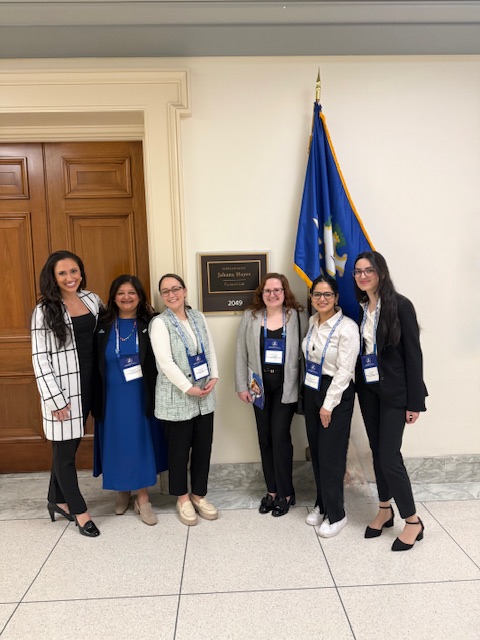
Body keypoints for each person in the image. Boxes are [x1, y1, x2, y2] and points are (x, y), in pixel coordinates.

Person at [353, 251, 428, 552]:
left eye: (368, 270)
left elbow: (414, 354)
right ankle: (385, 509)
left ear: (381, 273)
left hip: (396, 393)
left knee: (388, 455)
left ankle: (412, 521)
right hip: (369, 390)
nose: (362, 276)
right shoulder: (361, 307)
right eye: (358, 272)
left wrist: (415, 401)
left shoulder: (401, 305)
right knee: (376, 451)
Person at [31, 250, 102, 538]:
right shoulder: (44, 310)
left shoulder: (91, 299)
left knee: (67, 448)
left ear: (81, 273)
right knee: (64, 454)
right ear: (53, 277)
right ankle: (79, 511)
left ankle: (56, 499)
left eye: (74, 271)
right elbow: (39, 358)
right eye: (62, 273)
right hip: (63, 392)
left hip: (89, 385)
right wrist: (54, 400)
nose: (69, 277)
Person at [92, 275, 168, 525]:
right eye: (121, 293)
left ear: (140, 296)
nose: (126, 297)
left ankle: (143, 498)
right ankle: (121, 490)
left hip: (140, 395)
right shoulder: (102, 324)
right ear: (113, 297)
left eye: (132, 293)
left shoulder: (151, 322)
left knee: (139, 442)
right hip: (111, 396)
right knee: (116, 442)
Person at [235, 273, 307, 517]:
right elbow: (240, 354)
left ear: (285, 292)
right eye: (268, 290)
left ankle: (287, 492)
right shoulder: (251, 316)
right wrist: (241, 386)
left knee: (280, 437)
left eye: (278, 290)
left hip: (286, 387)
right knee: (264, 439)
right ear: (261, 294)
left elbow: (306, 351)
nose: (273, 294)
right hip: (259, 388)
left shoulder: (297, 315)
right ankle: (272, 491)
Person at [149, 274, 219, 526]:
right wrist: (187, 388)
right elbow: (165, 362)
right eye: (165, 291)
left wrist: (215, 376)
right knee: (178, 452)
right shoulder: (159, 323)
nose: (171, 294)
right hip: (176, 398)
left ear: (185, 290)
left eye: (175, 289)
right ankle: (182, 498)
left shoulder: (198, 316)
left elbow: (210, 348)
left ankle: (199, 494)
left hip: (205, 396)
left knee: (203, 448)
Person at [302, 275, 359, 537]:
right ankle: (322, 504)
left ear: (336, 298)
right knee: (316, 451)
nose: (321, 299)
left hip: (335, 394)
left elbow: (345, 371)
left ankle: (337, 514)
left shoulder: (347, 328)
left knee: (331, 456)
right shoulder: (313, 322)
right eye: (317, 294)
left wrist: (328, 405)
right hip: (312, 388)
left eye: (327, 295)